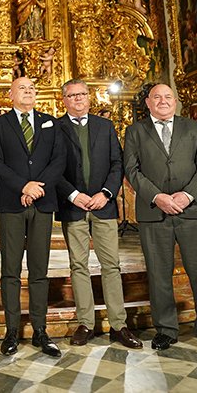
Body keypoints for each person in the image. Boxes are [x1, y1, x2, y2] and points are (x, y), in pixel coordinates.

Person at [123, 83, 197, 355]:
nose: (162, 101)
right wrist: (157, 197)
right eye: (156, 97)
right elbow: (132, 170)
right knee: (159, 273)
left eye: (167, 96)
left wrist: (188, 196)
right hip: (154, 212)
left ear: (175, 101)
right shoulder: (135, 131)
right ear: (147, 103)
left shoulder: (193, 128)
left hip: (193, 211)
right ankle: (166, 330)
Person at [55, 80, 142, 349]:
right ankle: (86, 323)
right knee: (78, 265)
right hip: (73, 205)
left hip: (103, 204)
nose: (78, 99)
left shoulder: (105, 127)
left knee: (111, 264)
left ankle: (119, 324)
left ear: (89, 98)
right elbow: (52, 168)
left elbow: (117, 163)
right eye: (72, 95)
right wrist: (73, 194)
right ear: (64, 100)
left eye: (82, 94)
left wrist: (105, 193)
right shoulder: (55, 128)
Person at [0, 77, 65, 357]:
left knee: (39, 270)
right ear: (11, 95)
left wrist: (37, 188)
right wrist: (23, 186)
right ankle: (11, 331)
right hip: (12, 202)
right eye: (22, 88)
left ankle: (40, 330)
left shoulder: (50, 123)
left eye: (32, 87)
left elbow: (59, 160)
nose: (29, 91)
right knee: (11, 269)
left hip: (42, 203)